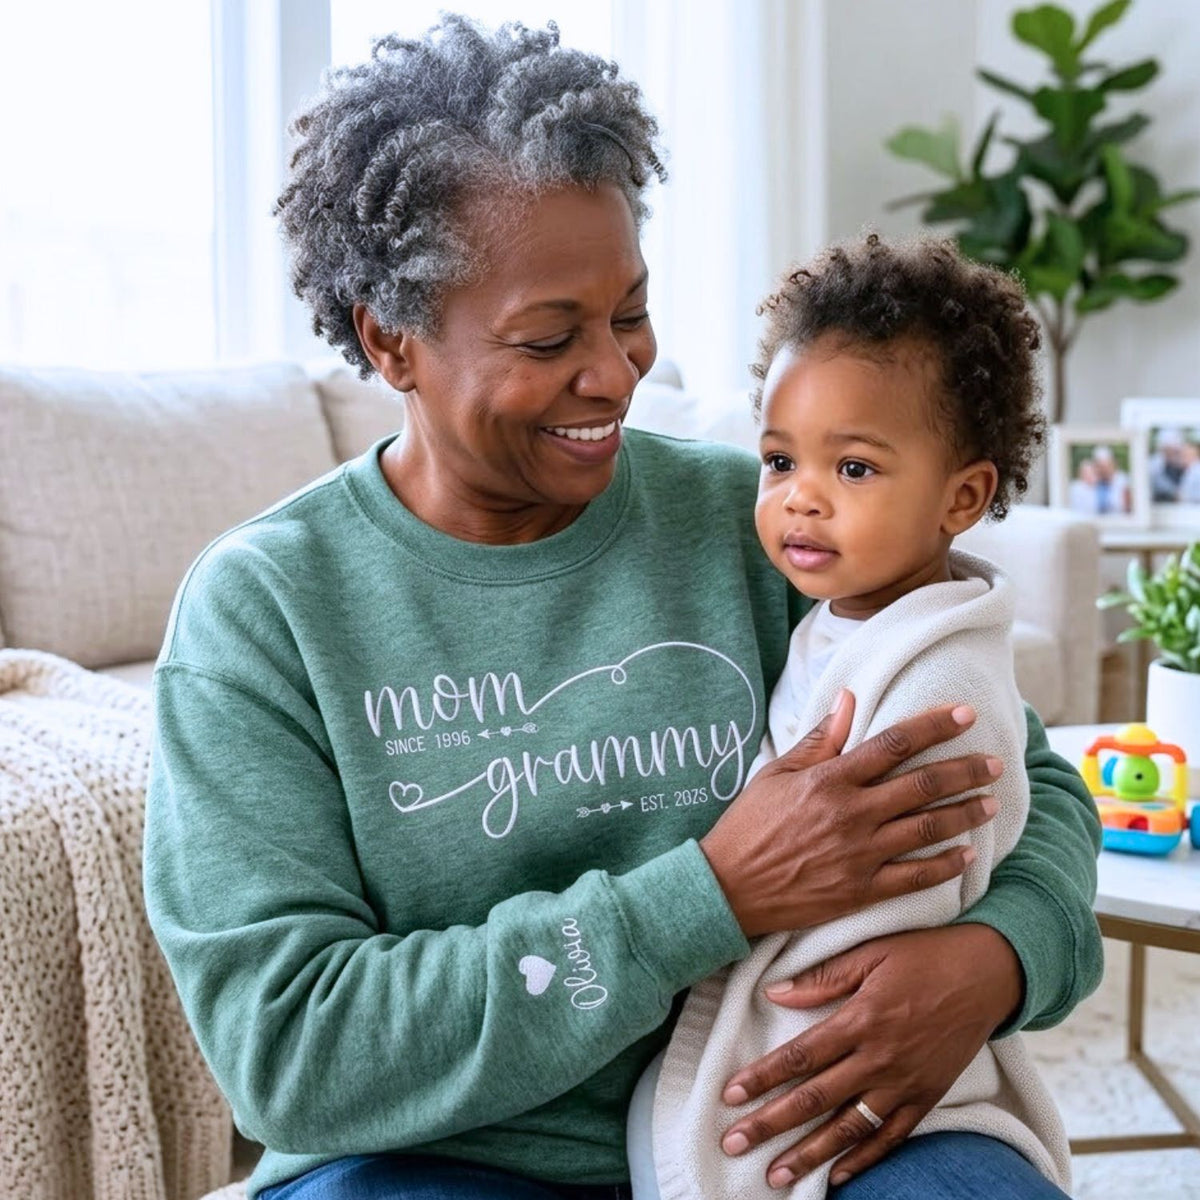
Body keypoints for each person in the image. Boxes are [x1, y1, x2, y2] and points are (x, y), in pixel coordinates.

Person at [142, 17, 1102, 1200]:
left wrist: (997, 960)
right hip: (441, 1159)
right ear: (393, 344)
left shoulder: (762, 526)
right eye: (550, 337)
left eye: (630, 313)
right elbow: (289, 1052)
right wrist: (709, 896)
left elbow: (1025, 780)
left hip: (797, 1135)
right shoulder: (266, 610)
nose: (615, 372)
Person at [628, 237, 1070, 1199]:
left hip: (845, 1054)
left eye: (856, 468)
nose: (801, 498)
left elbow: (899, 890)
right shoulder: (844, 614)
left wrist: (997, 956)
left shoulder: (934, 675)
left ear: (963, 496)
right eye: (779, 459)